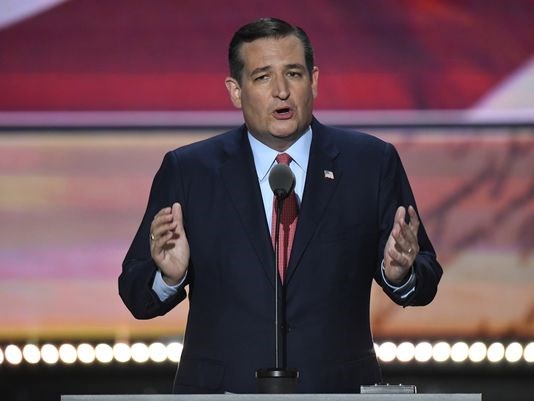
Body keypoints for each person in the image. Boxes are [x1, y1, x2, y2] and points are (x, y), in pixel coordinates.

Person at [119, 17, 442, 394]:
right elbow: (136, 295)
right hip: (221, 391)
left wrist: (399, 273)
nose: (282, 91)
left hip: (336, 390)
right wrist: (169, 277)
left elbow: (425, 277)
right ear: (235, 91)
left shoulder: (369, 163)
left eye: (294, 74)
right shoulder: (191, 171)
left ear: (314, 81)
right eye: (262, 77)